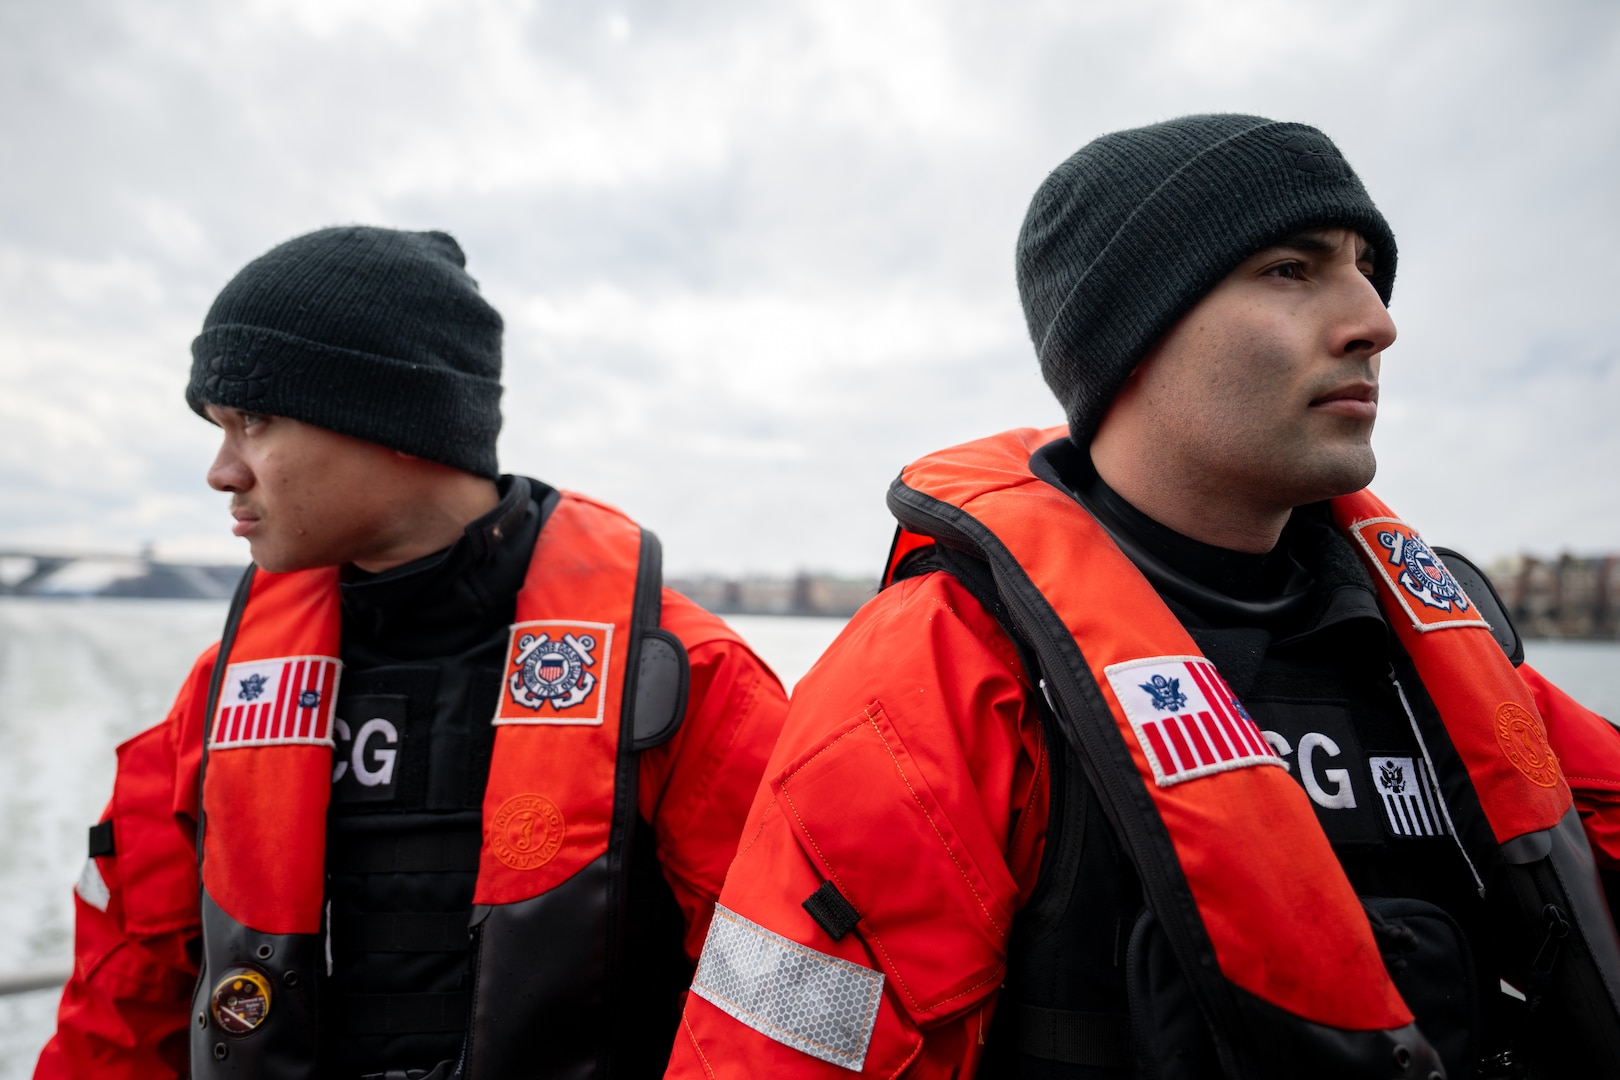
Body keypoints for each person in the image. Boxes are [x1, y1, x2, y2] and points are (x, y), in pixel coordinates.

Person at [667, 115, 1620, 1079]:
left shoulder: (1446, 660)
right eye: (1292, 269)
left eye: (1367, 268)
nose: (1376, 320)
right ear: (1130, 334)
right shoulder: (940, 678)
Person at [34, 227, 789, 1080]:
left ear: (394, 418)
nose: (221, 471)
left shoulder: (679, 681)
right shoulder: (218, 696)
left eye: (253, 421)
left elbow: (779, 1017)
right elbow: (122, 1011)